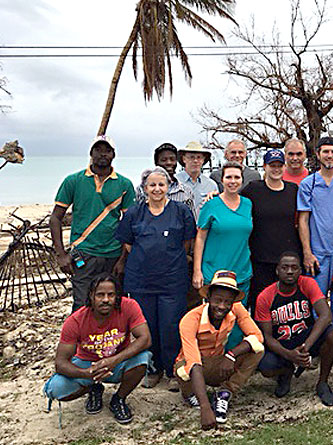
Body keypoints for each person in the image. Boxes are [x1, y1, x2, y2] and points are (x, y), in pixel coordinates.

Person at [115, 166, 197, 390]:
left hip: (172, 279)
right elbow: (128, 243)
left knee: (171, 325)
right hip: (142, 281)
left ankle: (172, 370)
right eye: (152, 185)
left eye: (161, 184)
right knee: (147, 326)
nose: (157, 189)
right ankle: (152, 369)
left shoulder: (181, 211)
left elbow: (187, 243)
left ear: (169, 187)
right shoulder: (134, 213)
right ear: (144, 188)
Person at [43, 275, 151, 425]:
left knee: (143, 359)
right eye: (100, 295)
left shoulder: (129, 306)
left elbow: (145, 339)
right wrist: (87, 374)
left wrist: (114, 360)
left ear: (117, 296)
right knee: (56, 389)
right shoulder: (75, 321)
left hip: (117, 362)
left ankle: (118, 399)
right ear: (91, 296)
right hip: (87, 363)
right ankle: (94, 388)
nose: (106, 300)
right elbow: (60, 363)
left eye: (111, 295)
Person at [50, 136, 136, 312]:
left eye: (107, 150)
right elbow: (55, 218)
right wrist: (61, 254)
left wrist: (123, 259)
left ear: (114, 154)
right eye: (98, 150)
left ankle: (111, 340)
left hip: (113, 255)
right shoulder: (73, 181)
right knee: (82, 305)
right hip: (83, 254)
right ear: (91, 153)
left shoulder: (124, 184)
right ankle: (80, 340)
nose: (102, 154)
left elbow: (129, 225)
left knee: (113, 305)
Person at [174, 271, 264, 429]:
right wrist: (205, 408)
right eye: (218, 300)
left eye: (227, 302)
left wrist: (231, 355)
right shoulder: (190, 319)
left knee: (258, 349)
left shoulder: (235, 308)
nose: (222, 306)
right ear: (208, 298)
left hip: (218, 363)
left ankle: (225, 393)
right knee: (183, 370)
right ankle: (192, 395)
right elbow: (194, 363)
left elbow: (257, 336)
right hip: (192, 367)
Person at [255, 252, 333, 406]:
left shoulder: (307, 284)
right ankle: (286, 371)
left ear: (300, 271)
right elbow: (266, 336)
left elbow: (326, 315)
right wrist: (289, 355)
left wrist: (306, 346)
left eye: (294, 267)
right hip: (282, 343)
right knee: (265, 366)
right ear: (277, 270)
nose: (289, 271)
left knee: (331, 334)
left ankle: (323, 383)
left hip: (304, 338)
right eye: (285, 267)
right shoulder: (265, 296)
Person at [297, 137, 333, 346]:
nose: (329, 156)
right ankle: (318, 342)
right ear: (318, 154)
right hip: (317, 253)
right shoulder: (309, 183)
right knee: (316, 299)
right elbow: (303, 220)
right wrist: (307, 252)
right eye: (325, 152)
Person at [193, 161, 253, 349]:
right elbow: (200, 238)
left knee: (237, 321)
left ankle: (232, 362)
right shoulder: (211, 205)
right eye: (229, 177)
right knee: (213, 321)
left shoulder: (247, 204)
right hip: (215, 273)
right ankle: (211, 362)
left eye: (237, 177)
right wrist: (197, 271)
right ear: (221, 179)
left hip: (241, 272)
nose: (233, 181)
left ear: (242, 180)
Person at [242, 149, 302, 314]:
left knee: (286, 305)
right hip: (261, 258)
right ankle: (260, 338)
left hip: (288, 258)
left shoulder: (293, 190)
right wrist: (213, 195)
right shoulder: (253, 189)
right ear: (264, 167)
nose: (276, 169)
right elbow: (233, 201)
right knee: (260, 303)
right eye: (272, 165)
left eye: (279, 165)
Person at [135, 143, 194, 211]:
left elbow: (191, 220)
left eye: (172, 159)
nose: (169, 162)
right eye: (163, 160)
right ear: (156, 163)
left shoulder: (186, 191)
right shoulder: (142, 190)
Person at [175, 141, 219, 220]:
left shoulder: (211, 185)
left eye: (199, 157)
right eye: (191, 157)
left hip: (203, 229)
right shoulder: (175, 181)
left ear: (203, 160)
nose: (195, 161)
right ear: (184, 159)